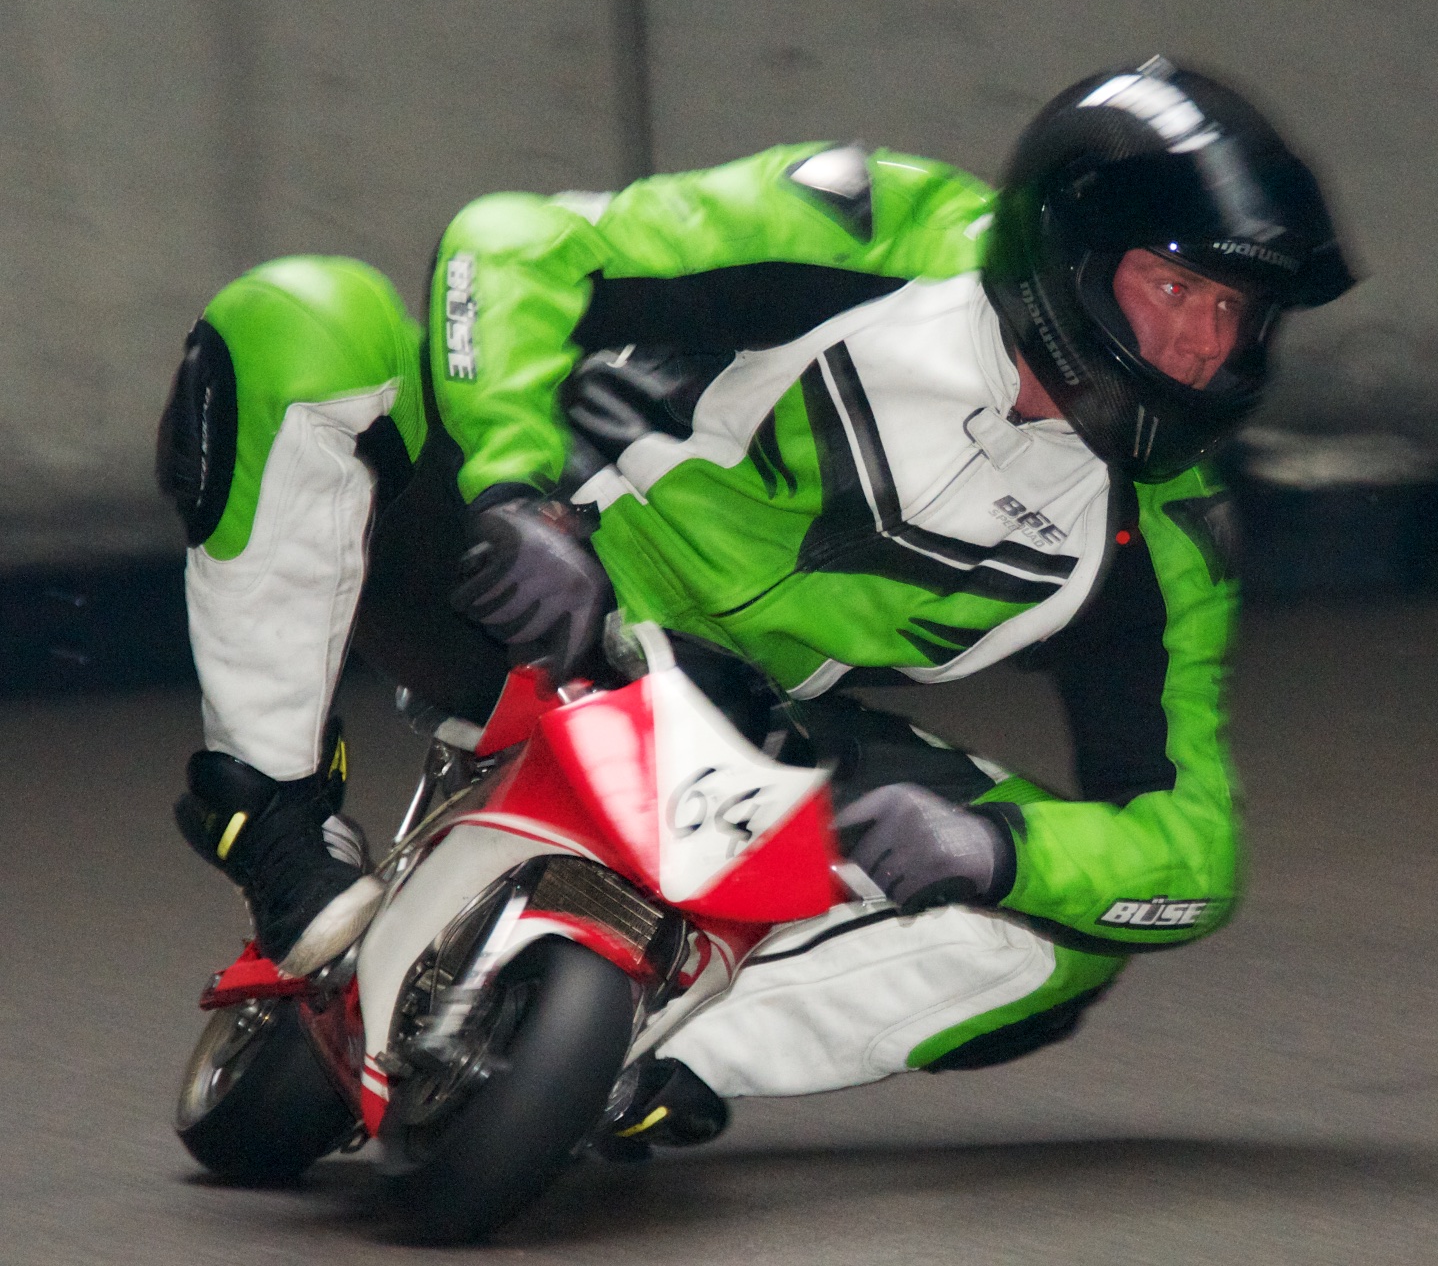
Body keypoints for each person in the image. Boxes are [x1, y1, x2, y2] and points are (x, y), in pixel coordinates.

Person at [157, 57, 1355, 1143]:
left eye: (1233, 311)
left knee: (1068, 933)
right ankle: (270, 813)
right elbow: (511, 241)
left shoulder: (1171, 529)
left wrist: (1000, 850)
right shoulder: (874, 231)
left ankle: (653, 1053)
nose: (1199, 344)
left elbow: (1192, 843)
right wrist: (517, 487)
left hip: (744, 723)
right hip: (521, 591)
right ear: (1067, 252)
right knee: (303, 324)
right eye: (1171, 286)